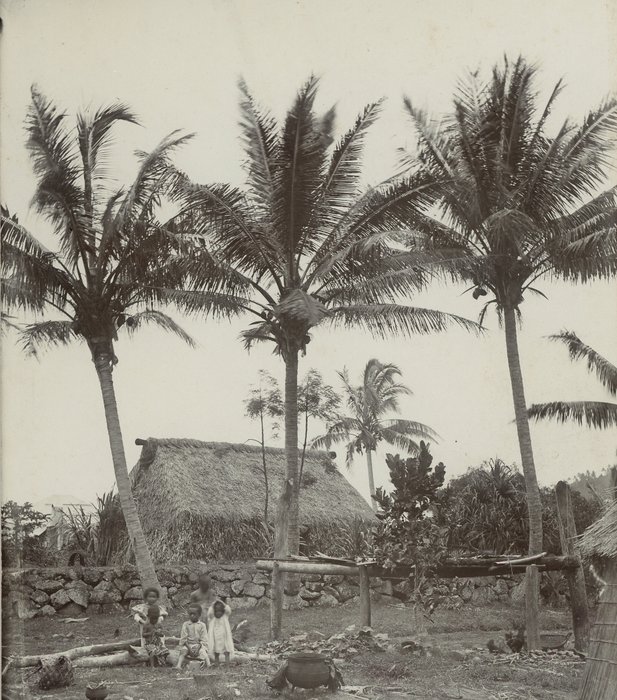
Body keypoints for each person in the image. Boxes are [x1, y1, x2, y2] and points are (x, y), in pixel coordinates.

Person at [176, 604, 210, 669]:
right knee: (183, 652)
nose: (192, 616)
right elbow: (184, 638)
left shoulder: (202, 625)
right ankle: (178, 665)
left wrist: (198, 648)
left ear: (199, 615)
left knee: (204, 653)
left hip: (198, 645)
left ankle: (209, 665)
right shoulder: (186, 624)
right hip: (187, 645)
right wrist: (189, 649)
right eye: (190, 614)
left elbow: (204, 639)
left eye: (194, 614)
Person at [207, 600, 234, 664]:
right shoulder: (213, 618)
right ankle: (216, 663)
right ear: (214, 611)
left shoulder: (225, 617)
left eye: (220, 611)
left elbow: (228, 610)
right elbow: (209, 613)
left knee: (226, 651)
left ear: (223, 611)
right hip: (216, 638)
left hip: (224, 638)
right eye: (216, 611)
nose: (218, 613)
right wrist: (212, 605)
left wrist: (223, 604)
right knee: (216, 652)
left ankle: (227, 663)